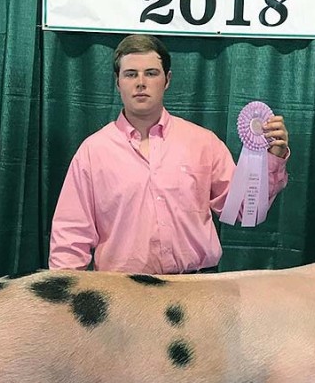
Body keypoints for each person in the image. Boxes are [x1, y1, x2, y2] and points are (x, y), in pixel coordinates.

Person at [49, 33, 291, 274]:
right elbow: (71, 236)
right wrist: (63, 299)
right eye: (131, 74)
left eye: (151, 73)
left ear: (167, 80)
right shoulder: (93, 152)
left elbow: (243, 210)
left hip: (199, 292)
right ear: (117, 82)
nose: (140, 82)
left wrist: (272, 157)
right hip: (124, 295)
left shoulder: (203, 143)